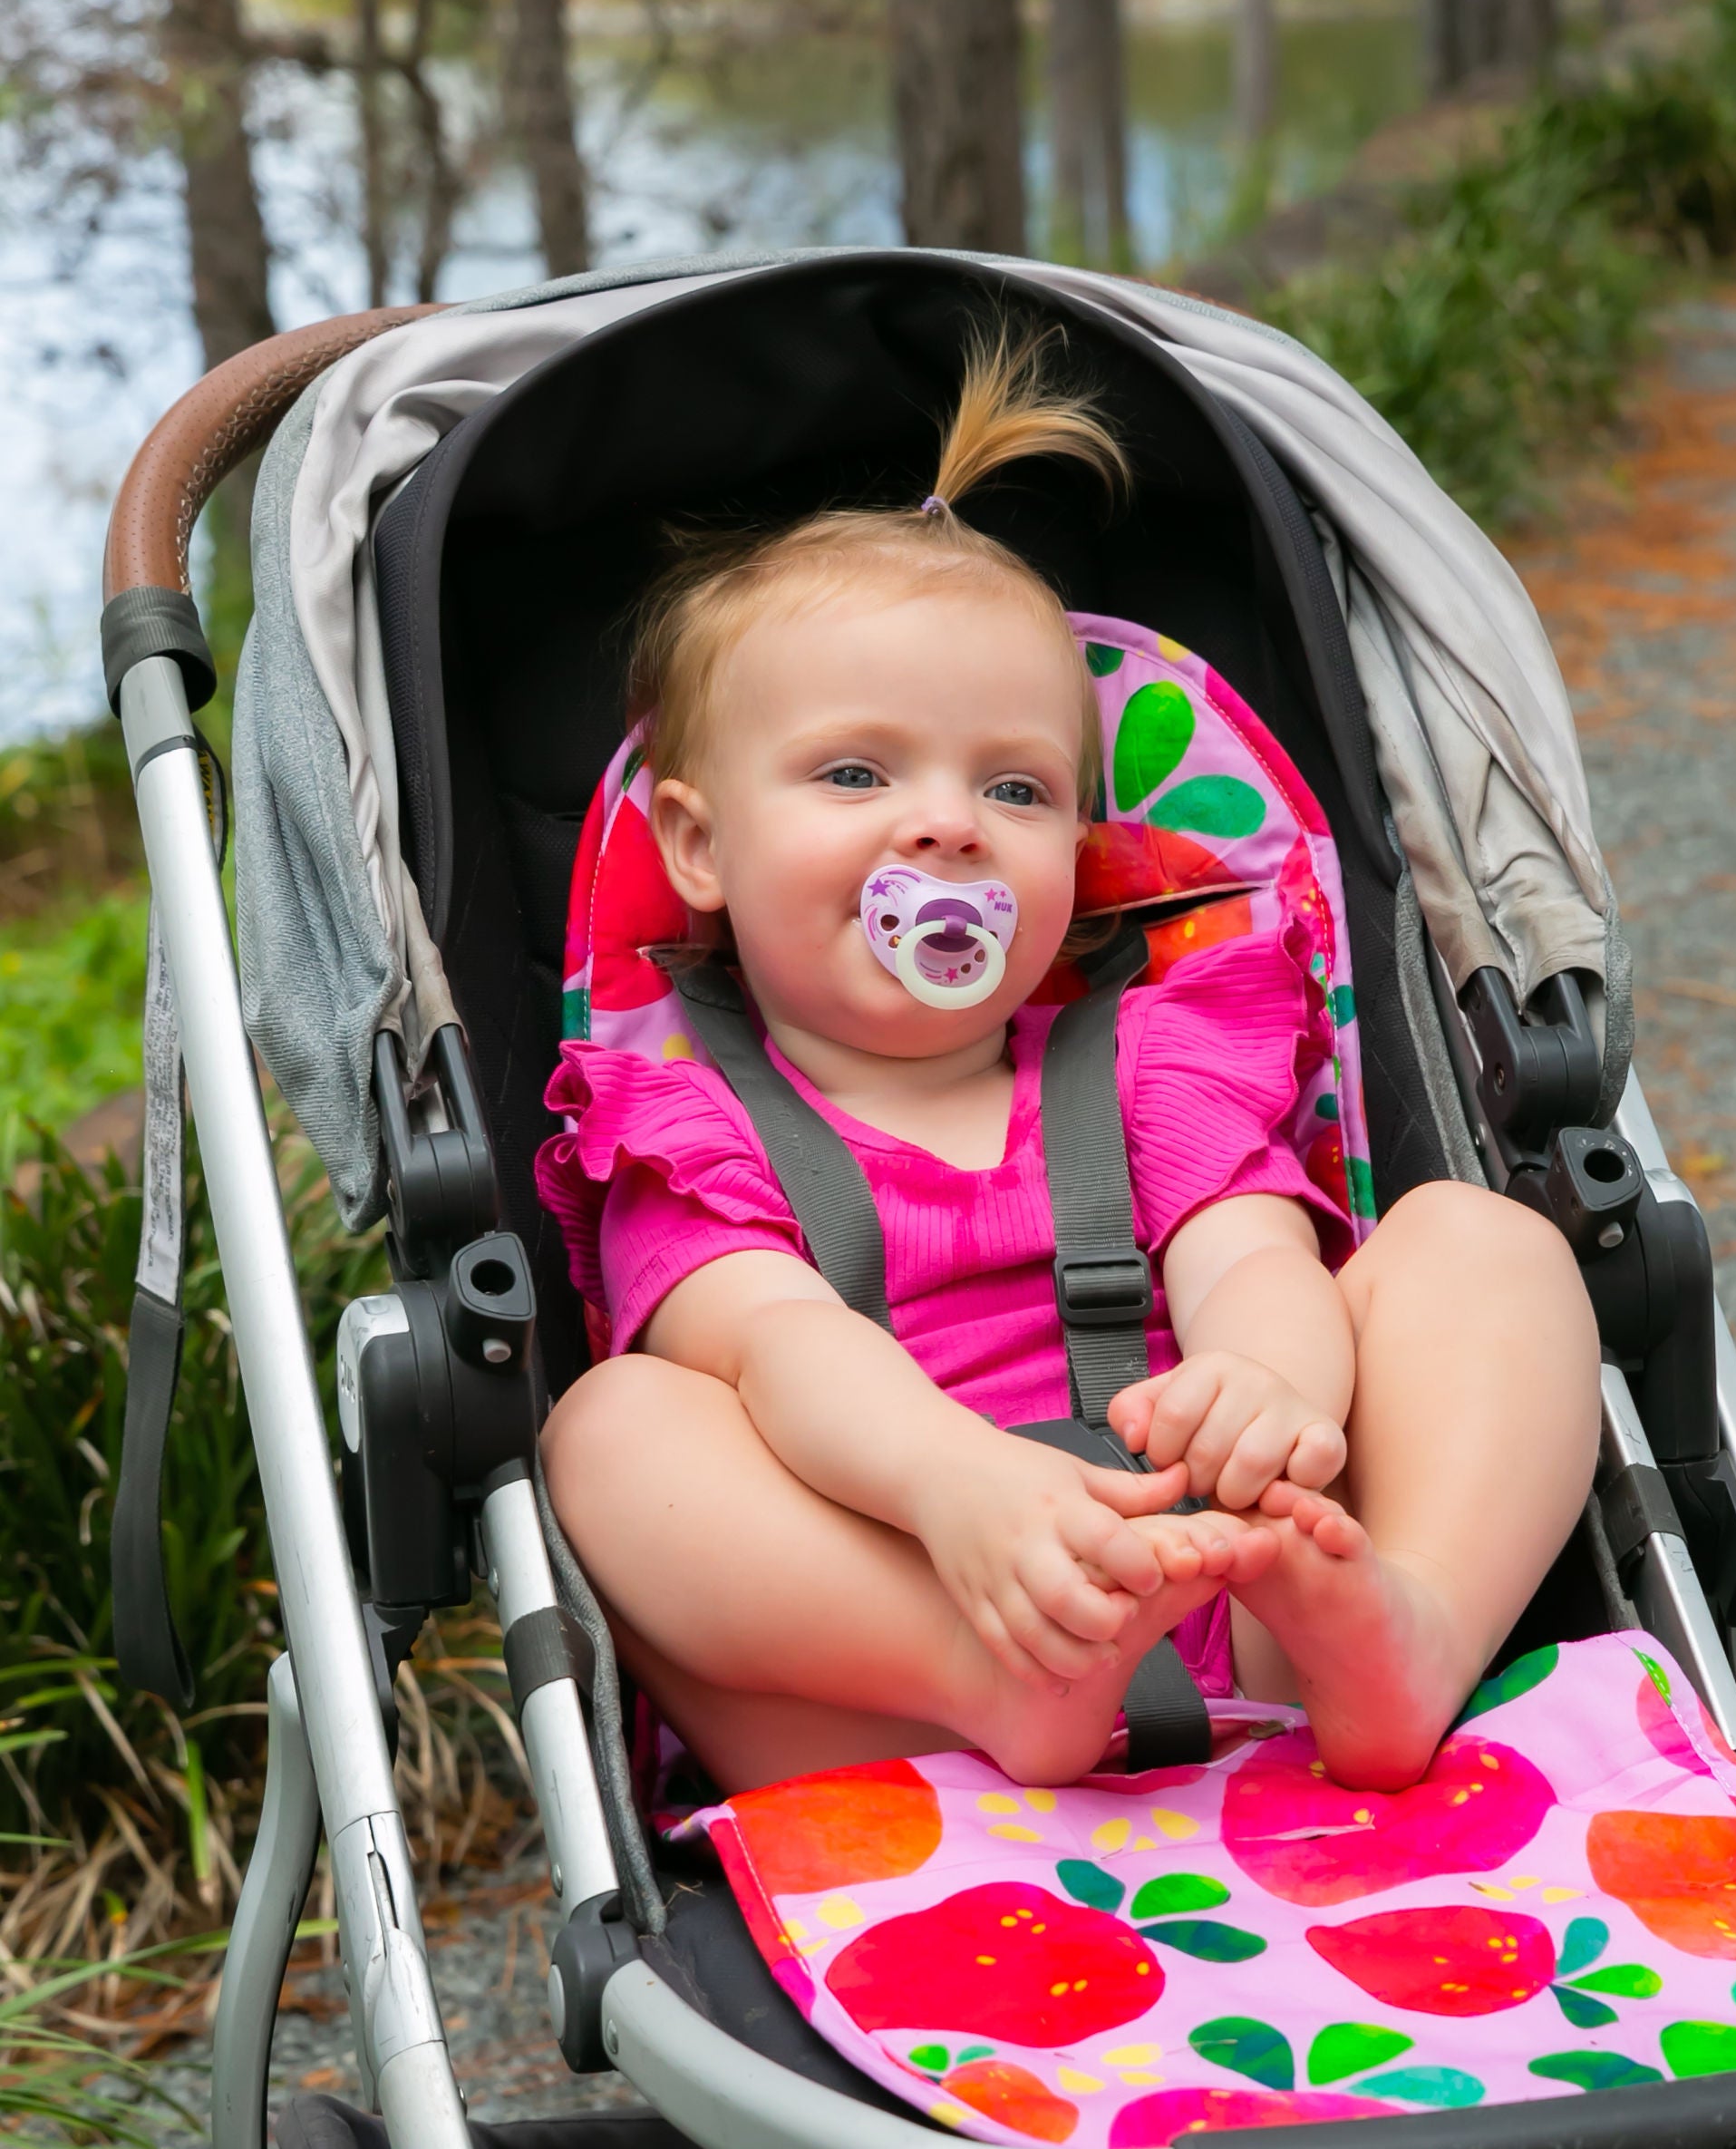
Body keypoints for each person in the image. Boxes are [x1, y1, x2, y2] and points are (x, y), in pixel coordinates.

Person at [538, 329, 1599, 1799]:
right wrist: (962, 1490)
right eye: (856, 773)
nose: (946, 825)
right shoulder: (683, 1129)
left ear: (1077, 849)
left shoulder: (1159, 1057)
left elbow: (1252, 1255)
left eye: (1015, 787)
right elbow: (783, 1350)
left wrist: (1266, 1385)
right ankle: (998, 1674)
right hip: (908, 1702)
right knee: (614, 1431)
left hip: (1249, 1608)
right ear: (700, 847)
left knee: (1482, 1243)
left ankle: (1403, 1632)